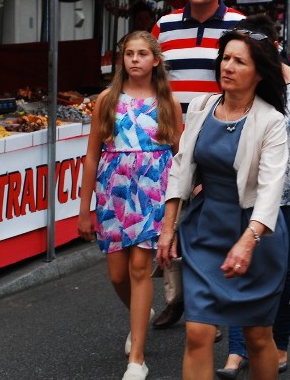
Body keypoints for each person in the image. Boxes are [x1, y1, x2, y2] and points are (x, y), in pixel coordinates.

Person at [157, 28, 288, 380]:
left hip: (257, 235)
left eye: (239, 61)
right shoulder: (201, 107)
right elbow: (181, 169)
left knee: (257, 336)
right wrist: (167, 229)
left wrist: (248, 241)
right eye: (225, 58)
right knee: (197, 332)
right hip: (206, 228)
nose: (227, 66)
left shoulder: (271, 122)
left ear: (259, 73)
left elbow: (271, 188)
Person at [219, 16, 290, 377]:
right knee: (239, 270)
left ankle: (279, 343)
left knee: (281, 277)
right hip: (246, 197)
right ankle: (237, 350)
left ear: (274, 45)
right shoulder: (244, 87)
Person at [77, 31, 182, 380]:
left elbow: (179, 155)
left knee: (140, 268)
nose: (134, 59)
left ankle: (137, 358)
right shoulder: (107, 99)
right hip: (114, 190)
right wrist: (84, 210)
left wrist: (180, 202)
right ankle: (142, 312)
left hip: (154, 189)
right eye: (128, 54)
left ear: (155, 60)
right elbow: (92, 157)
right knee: (117, 274)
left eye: (142, 53)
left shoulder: (168, 102)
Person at [150, 0, 244, 329]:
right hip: (171, 140)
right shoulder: (165, 26)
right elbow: (151, 80)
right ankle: (176, 299)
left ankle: (213, 308)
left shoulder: (239, 25)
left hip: (218, 141)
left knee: (214, 226)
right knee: (167, 222)